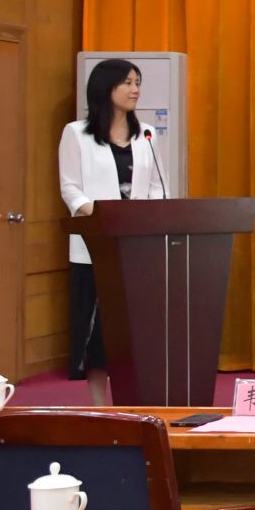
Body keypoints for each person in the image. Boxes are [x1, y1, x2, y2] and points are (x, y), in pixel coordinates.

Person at [58, 58, 170, 406]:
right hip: (96, 247)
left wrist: (146, 219)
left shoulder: (146, 134)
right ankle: (98, 405)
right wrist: (104, 216)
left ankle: (137, 400)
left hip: (138, 248)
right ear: (106, 88)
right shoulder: (76, 133)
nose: (136, 89)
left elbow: (157, 187)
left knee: (136, 331)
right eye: (128, 83)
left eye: (138, 82)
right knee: (100, 332)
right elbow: (70, 188)